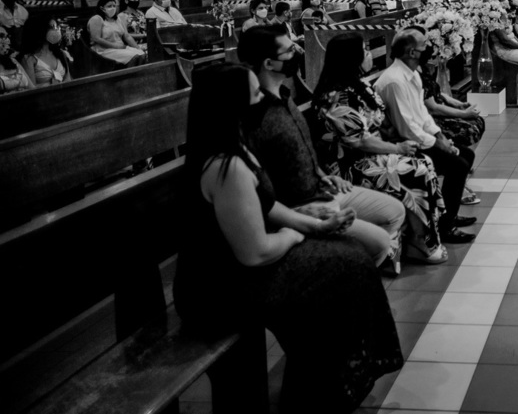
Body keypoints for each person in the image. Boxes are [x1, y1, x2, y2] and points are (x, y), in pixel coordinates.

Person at [173, 64, 403, 413]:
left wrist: (313, 224)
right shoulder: (224, 165)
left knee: (348, 257)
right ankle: (315, 392)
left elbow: (267, 206)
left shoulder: (237, 145)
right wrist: (294, 236)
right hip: (218, 289)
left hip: (240, 269)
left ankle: (321, 384)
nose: (260, 98)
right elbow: (255, 253)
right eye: (253, 93)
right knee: (341, 273)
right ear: (231, 103)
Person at [238, 25, 406, 269]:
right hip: (297, 206)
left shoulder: (285, 96)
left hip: (321, 188)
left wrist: (323, 175)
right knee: (378, 242)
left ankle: (365, 272)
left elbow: (304, 150)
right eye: (290, 50)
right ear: (268, 63)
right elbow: (261, 181)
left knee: (394, 211)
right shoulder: (256, 116)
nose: (297, 51)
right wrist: (302, 211)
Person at [313, 34, 448, 264]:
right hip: (351, 164)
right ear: (351, 58)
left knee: (424, 161)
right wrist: (397, 148)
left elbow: (378, 121)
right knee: (416, 169)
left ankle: (421, 237)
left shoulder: (358, 84)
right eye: (364, 51)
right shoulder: (337, 95)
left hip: (372, 153)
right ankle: (421, 242)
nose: (368, 55)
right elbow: (359, 141)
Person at [374, 29, 478, 244]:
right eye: (424, 47)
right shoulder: (394, 80)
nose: (428, 50)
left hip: (418, 137)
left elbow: (421, 113)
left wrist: (440, 136)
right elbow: (406, 127)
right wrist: (438, 144)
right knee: (457, 164)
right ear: (412, 52)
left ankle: (447, 212)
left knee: (466, 155)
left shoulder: (412, 73)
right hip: (402, 143)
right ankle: (445, 227)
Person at [88, 0, 147, 66]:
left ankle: (138, 75)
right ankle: (127, 75)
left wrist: (137, 48)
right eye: (109, 6)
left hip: (121, 47)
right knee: (134, 57)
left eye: (114, 6)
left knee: (142, 54)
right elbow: (96, 38)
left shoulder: (118, 19)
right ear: (102, 8)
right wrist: (116, 46)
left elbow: (127, 36)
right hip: (104, 49)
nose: (113, 8)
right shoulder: (97, 19)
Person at [18, 15, 72, 87]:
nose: (55, 31)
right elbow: (31, 90)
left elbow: (69, 80)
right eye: (51, 27)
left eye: (56, 27)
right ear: (39, 30)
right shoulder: (29, 58)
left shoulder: (61, 54)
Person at [0, 25, 34, 93]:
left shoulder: (13, 61)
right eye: (1, 36)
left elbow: (32, 88)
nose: (6, 40)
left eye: (7, 36)